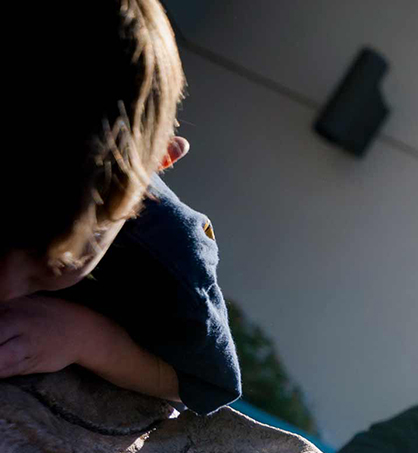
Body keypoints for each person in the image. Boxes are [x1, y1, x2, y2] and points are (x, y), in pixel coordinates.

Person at [0, 1, 241, 415]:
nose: (3, 289)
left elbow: (201, 383)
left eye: (54, 262)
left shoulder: (168, 256)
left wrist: (85, 338)